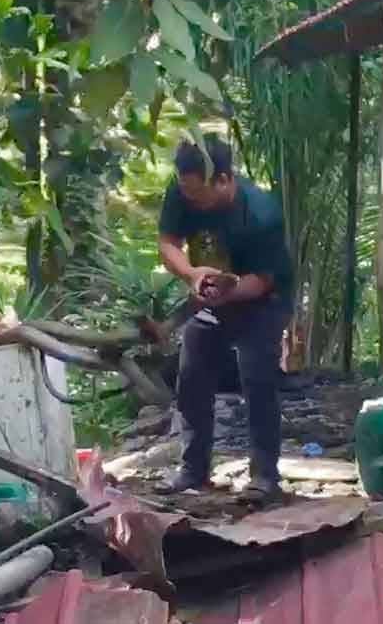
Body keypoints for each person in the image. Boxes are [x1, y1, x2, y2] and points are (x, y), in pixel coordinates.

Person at [154, 138, 293, 505]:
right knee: (192, 374)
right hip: (212, 296)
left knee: (257, 379)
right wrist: (192, 275)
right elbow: (167, 242)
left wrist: (228, 291)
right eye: (186, 191)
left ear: (224, 180)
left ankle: (264, 476)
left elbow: (263, 280)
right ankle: (193, 469)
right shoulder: (182, 189)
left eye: (198, 194)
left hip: (261, 301)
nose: (191, 200)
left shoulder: (260, 213)